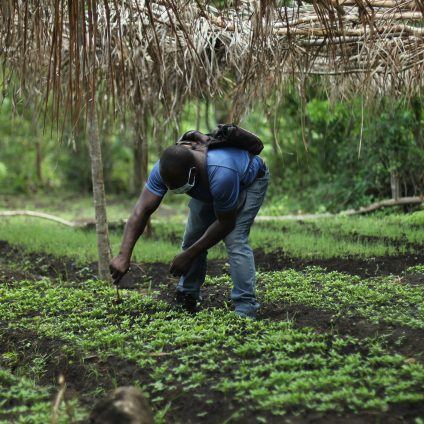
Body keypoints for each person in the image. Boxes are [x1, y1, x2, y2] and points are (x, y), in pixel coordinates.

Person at [109, 134, 269, 318]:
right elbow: (141, 211)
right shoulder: (165, 168)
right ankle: (187, 295)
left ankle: (245, 306)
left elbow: (226, 223)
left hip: (248, 181)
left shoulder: (221, 173)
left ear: (193, 173)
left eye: (177, 186)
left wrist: (189, 255)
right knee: (193, 236)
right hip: (209, 186)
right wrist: (123, 255)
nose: (173, 190)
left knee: (235, 240)